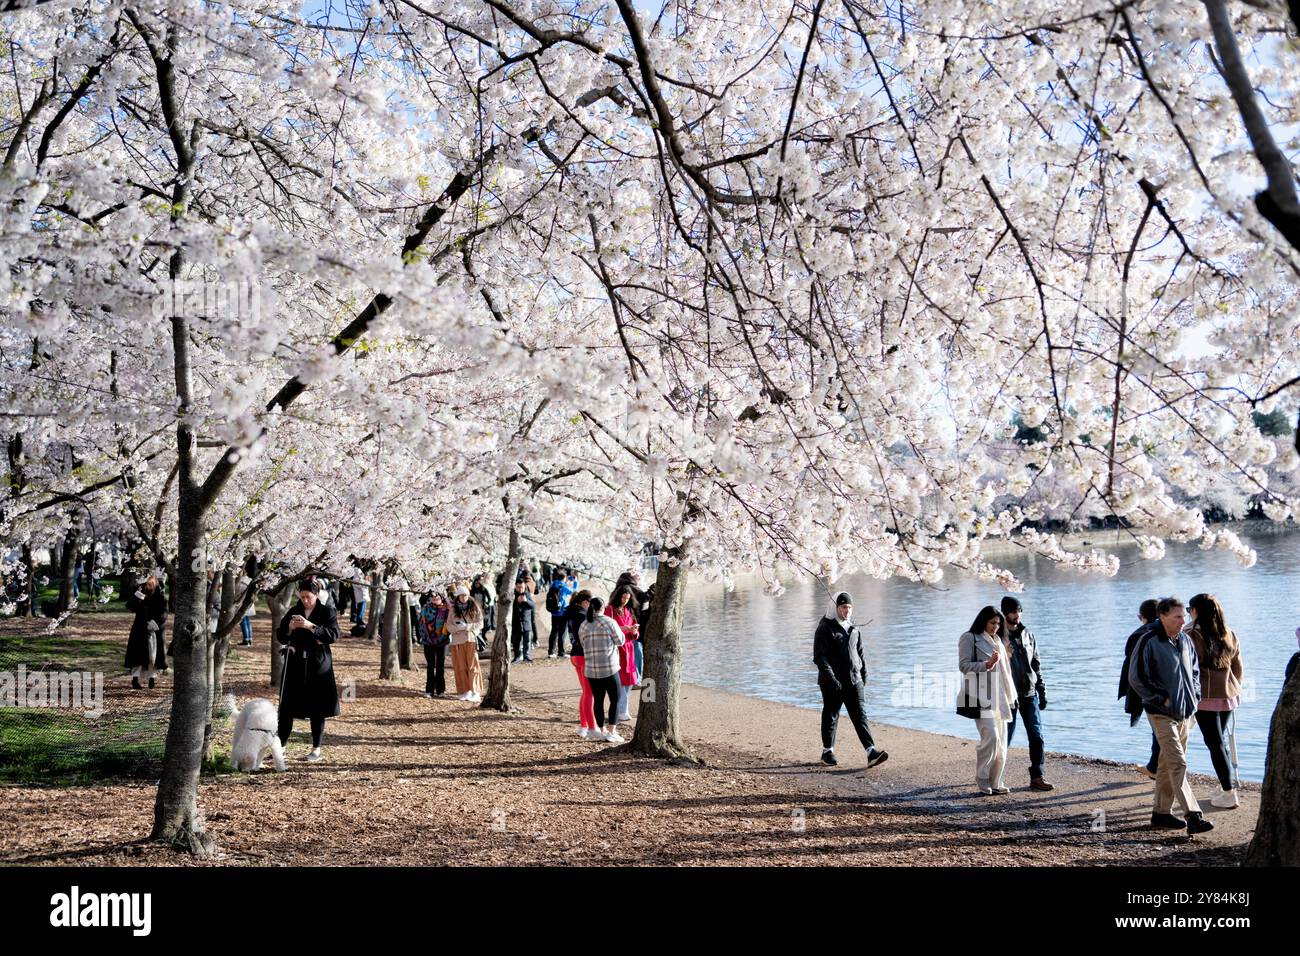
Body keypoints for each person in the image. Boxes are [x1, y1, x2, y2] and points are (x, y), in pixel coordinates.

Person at [1128, 596, 1213, 833]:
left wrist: (1194, 696)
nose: (1182, 620)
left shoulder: (1185, 640)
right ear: (1162, 617)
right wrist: (1160, 698)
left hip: (1186, 713)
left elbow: (1194, 672)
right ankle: (1194, 815)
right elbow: (1136, 678)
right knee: (1178, 762)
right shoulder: (1148, 641)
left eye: (1183, 616)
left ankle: (1161, 814)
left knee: (1166, 764)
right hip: (1160, 713)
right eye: (1177, 616)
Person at [813, 592, 888, 770]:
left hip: (855, 680)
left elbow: (860, 653)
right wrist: (831, 679)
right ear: (836, 608)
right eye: (843, 607)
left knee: (860, 715)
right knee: (831, 714)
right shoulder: (825, 628)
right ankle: (827, 752)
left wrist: (863, 674)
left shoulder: (853, 628)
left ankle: (871, 752)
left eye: (849, 607)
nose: (846, 611)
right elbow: (819, 657)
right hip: (832, 682)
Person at [1186, 593, 1243, 809]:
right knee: (1220, 743)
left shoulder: (1190, 635)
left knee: (1215, 743)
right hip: (1228, 695)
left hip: (1204, 697)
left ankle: (1229, 792)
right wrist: (1234, 687)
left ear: (1195, 611)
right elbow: (1238, 667)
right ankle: (1226, 785)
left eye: (1189, 609)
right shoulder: (1228, 633)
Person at [275, 578, 341, 763]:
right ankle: (280, 746)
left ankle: (316, 748)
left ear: (317, 595)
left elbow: (333, 635)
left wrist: (310, 627)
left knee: (317, 707)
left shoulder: (327, 611)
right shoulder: (293, 611)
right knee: (287, 707)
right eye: (302, 596)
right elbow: (281, 635)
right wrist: (289, 628)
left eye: (309, 597)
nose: (305, 600)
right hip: (295, 662)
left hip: (318, 663)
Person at [957, 605, 1014, 794]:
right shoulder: (969, 637)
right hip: (980, 696)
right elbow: (964, 666)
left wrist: (1011, 695)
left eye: (998, 623)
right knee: (991, 737)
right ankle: (982, 778)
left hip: (1001, 697)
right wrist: (986, 665)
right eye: (992, 623)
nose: (995, 627)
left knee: (1001, 742)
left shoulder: (998, 640)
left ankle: (996, 781)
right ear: (983, 621)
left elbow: (1006, 672)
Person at [1000, 596, 1053, 791]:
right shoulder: (998, 636)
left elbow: (1036, 665)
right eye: (1013, 611)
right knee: (1005, 738)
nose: (1017, 614)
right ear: (1006, 613)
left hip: (1030, 694)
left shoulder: (1028, 634)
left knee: (1037, 736)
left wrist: (1042, 690)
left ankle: (1037, 776)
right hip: (1009, 696)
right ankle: (995, 776)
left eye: (1019, 610)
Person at [1120, 598, 1162, 779]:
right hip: (1169, 688)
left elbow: (1132, 666)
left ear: (1141, 616)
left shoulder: (1140, 634)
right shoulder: (1169, 631)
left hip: (1150, 690)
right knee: (1161, 729)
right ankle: (1155, 764)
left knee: (1158, 728)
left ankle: (1155, 767)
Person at [580, 597, 627, 742]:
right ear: (603, 607)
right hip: (609, 667)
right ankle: (612, 731)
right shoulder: (609, 622)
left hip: (592, 669)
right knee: (615, 699)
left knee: (598, 700)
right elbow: (620, 641)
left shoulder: (584, 625)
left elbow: (582, 643)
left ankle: (602, 730)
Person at [124, 572, 168, 689]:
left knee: (153, 656)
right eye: (147, 584)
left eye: (150, 584)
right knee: (137, 657)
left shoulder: (160, 598)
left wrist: (154, 623)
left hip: (154, 630)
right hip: (139, 629)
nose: (148, 586)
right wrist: (138, 595)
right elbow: (130, 606)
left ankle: (152, 679)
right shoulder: (140, 595)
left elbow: (163, 613)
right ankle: (135, 679)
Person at [565, 589, 597, 737]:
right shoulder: (581, 616)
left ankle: (584, 726)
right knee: (590, 693)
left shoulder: (571, 612)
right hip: (583, 655)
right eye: (590, 604)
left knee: (586, 692)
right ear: (585, 602)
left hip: (575, 655)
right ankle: (592, 728)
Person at [605, 585, 640, 723]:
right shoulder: (610, 610)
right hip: (617, 649)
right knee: (620, 681)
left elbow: (633, 632)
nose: (625, 600)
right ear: (618, 595)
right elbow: (606, 628)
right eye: (623, 597)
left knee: (630, 681)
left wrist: (634, 632)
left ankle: (622, 709)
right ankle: (620, 711)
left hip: (629, 649)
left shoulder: (628, 610)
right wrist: (621, 629)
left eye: (627, 598)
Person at [445, 586, 483, 701]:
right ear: (458, 597)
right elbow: (448, 626)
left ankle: (475, 691)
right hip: (457, 641)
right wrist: (457, 627)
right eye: (461, 595)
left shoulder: (474, 607)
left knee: (473, 666)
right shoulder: (453, 609)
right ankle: (465, 691)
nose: (463, 597)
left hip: (470, 639)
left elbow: (480, 623)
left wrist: (467, 626)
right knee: (461, 666)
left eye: (465, 595)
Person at [417, 592, 450, 698]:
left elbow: (449, 624)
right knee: (430, 665)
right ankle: (429, 690)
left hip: (443, 641)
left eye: (437, 596)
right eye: (432, 596)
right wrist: (426, 637)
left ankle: (440, 690)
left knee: (440, 665)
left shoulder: (446, 609)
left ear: (442, 597)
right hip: (428, 641)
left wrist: (441, 638)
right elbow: (421, 624)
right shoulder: (426, 608)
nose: (434, 598)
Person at [510, 581, 536, 663]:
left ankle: (527, 656)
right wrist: (516, 601)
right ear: (515, 587)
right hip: (516, 623)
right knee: (516, 642)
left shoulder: (527, 595)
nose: (520, 589)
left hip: (526, 623)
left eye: (522, 587)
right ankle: (517, 657)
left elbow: (533, 606)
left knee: (527, 641)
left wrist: (526, 601)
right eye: (519, 587)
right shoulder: (512, 595)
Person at [545, 573, 570, 658]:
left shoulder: (553, 584)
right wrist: (576, 582)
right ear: (564, 578)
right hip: (562, 611)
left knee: (554, 632)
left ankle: (551, 652)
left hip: (554, 612)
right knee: (562, 633)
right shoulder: (564, 586)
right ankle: (561, 652)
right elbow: (573, 591)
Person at [470, 573, 494, 652]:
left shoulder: (483, 589)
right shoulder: (472, 591)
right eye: (476, 583)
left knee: (485, 623)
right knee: (477, 622)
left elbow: (490, 598)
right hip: (475, 608)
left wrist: (486, 604)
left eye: (478, 583)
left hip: (483, 608)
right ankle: (479, 638)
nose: (477, 585)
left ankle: (484, 635)